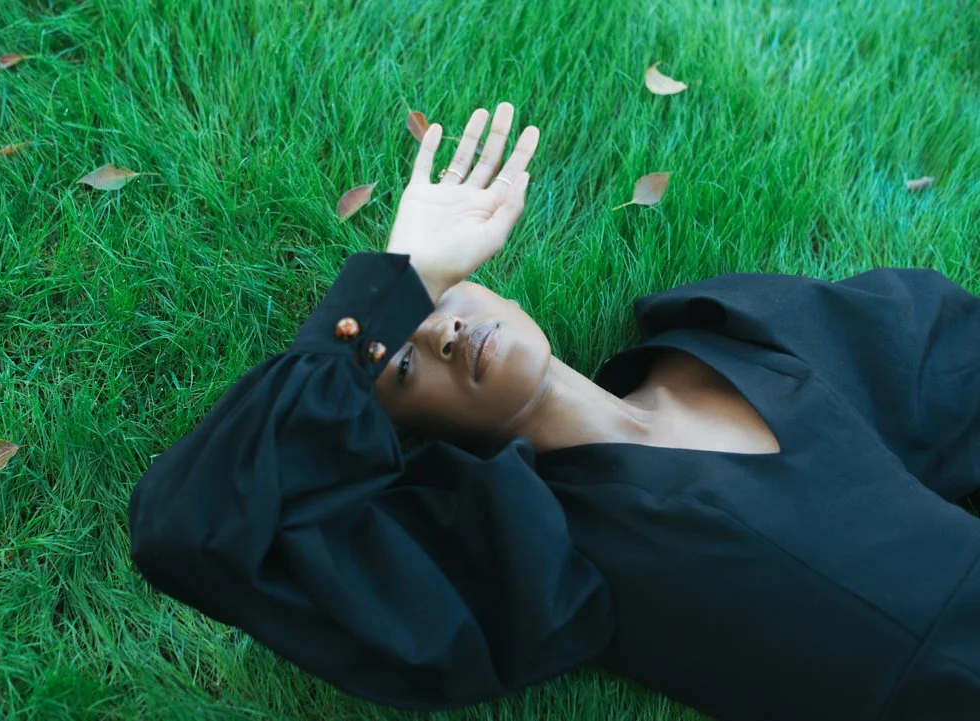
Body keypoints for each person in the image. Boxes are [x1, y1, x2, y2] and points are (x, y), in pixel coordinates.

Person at [128, 102, 980, 721]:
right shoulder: (538, 554)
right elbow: (188, 530)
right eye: (401, 363)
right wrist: (398, 278)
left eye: (443, 299)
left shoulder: (733, 334)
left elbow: (947, 361)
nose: (444, 328)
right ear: (415, 435)